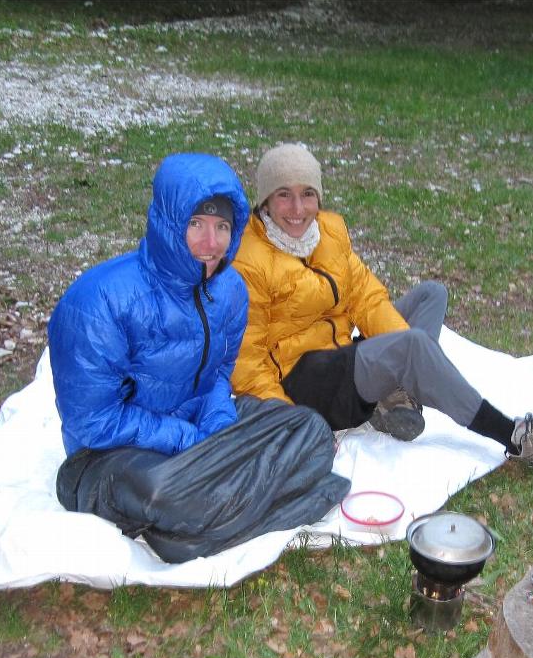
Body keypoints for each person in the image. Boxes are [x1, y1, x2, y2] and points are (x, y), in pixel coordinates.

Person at [47, 153, 349, 564]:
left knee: (311, 428)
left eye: (222, 227)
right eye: (196, 225)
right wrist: (188, 440)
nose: (211, 243)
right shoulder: (98, 302)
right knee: (165, 495)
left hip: (198, 437)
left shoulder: (229, 291)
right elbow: (93, 421)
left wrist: (218, 423)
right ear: (169, 223)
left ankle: (194, 533)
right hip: (109, 457)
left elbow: (218, 379)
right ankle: (276, 496)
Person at [229, 142, 533, 470]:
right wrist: (292, 422)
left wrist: (399, 358)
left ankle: (397, 394)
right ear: (265, 202)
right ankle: (519, 440)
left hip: (339, 353)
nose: (297, 209)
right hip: (303, 382)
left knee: (431, 295)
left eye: (307, 194)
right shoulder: (249, 261)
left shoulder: (328, 233)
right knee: (412, 346)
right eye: (283, 195)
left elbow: (366, 297)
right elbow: (247, 361)